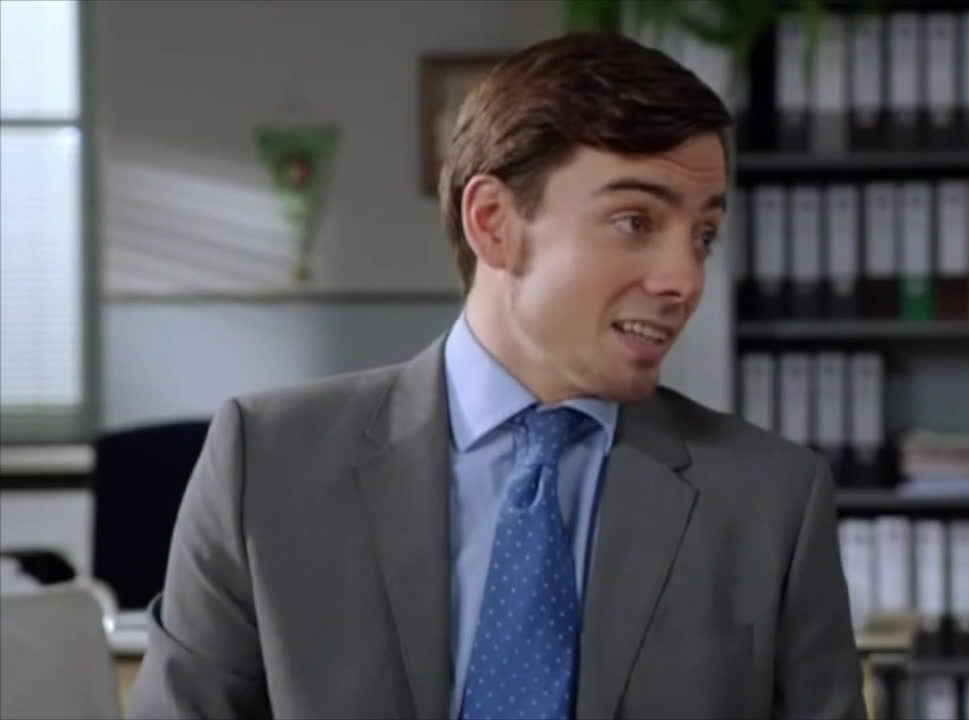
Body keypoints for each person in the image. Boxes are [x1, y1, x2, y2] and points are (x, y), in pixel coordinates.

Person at [130, 31, 866, 720]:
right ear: (494, 223)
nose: (685, 279)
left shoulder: (771, 502)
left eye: (704, 235)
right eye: (636, 222)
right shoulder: (266, 463)